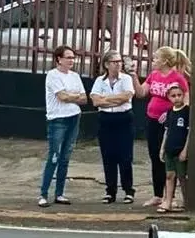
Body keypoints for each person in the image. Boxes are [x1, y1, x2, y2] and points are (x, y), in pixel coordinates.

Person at [131, 46, 190, 208]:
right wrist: (134, 77)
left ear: (164, 61)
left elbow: (185, 101)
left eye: (156, 58)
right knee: (155, 156)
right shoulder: (154, 75)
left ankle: (169, 196)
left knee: (168, 156)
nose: (153, 61)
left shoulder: (177, 78)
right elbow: (142, 93)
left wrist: (173, 115)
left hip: (168, 123)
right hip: (152, 119)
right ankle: (157, 194)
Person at [39, 45, 86, 208]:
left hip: (73, 117)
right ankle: (43, 193)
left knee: (65, 157)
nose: (71, 60)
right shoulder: (53, 75)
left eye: (73, 58)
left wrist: (71, 97)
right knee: (54, 156)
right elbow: (62, 96)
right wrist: (74, 97)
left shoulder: (75, 76)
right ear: (59, 59)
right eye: (68, 57)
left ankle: (59, 193)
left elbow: (84, 98)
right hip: (58, 118)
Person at [90, 50, 136, 204]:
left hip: (123, 118)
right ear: (107, 64)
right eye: (115, 62)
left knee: (125, 156)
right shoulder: (99, 81)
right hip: (106, 119)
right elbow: (96, 101)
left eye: (120, 62)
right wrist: (112, 100)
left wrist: (106, 98)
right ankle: (110, 191)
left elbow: (126, 97)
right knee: (108, 155)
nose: (118, 64)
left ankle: (128, 190)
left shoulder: (126, 79)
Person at [158, 84, 189, 213]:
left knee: (182, 177)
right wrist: (162, 149)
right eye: (173, 96)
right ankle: (168, 202)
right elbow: (167, 131)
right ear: (169, 97)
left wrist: (185, 150)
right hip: (169, 149)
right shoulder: (170, 112)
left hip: (180, 149)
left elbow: (189, 132)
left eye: (179, 95)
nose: (176, 98)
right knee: (170, 175)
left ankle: (187, 201)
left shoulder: (187, 111)